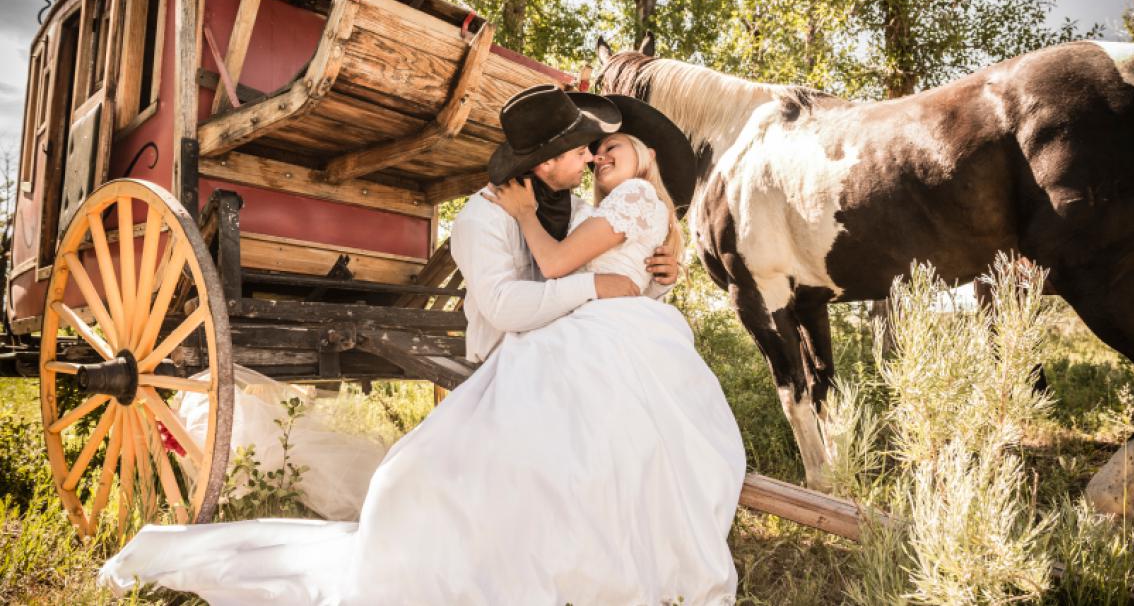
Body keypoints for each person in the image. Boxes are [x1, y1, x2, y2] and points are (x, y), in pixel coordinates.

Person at [99, 87, 746, 605]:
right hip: (540, 335)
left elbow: (607, 281)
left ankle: (581, 547)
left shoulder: (581, 208)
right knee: (525, 451)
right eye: (586, 150)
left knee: (585, 443)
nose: (594, 158)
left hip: (577, 337)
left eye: (604, 149)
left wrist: (647, 278)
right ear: (542, 161)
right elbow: (517, 301)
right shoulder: (491, 217)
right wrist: (602, 287)